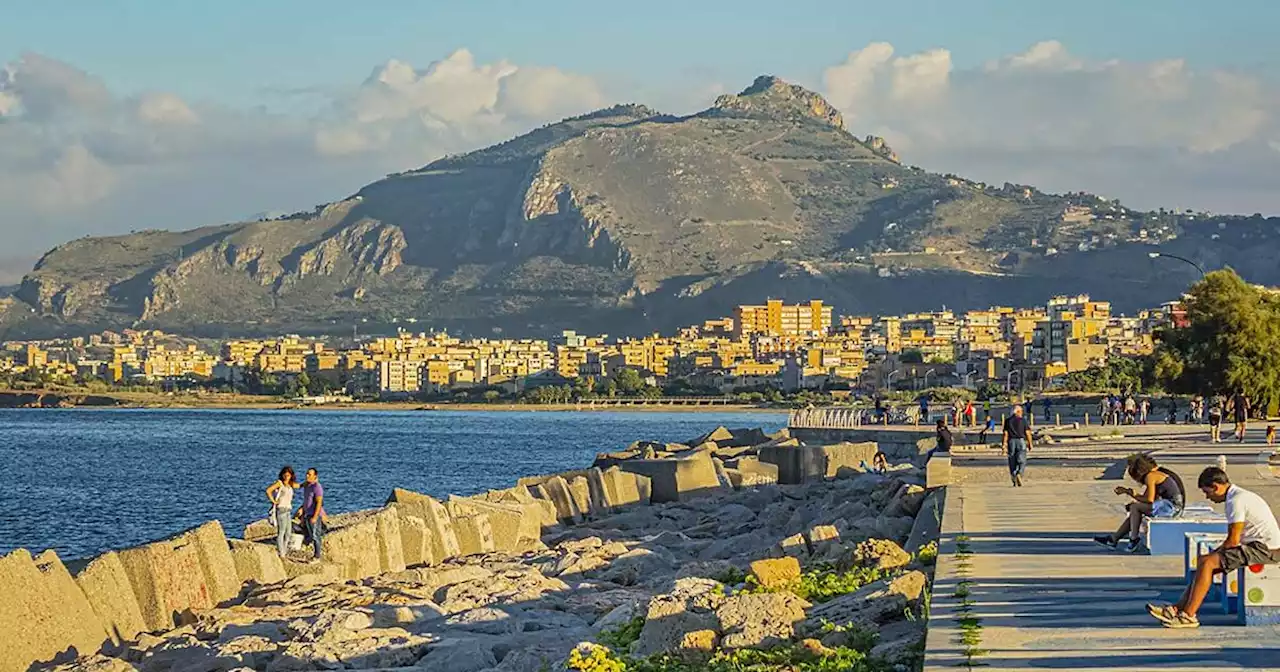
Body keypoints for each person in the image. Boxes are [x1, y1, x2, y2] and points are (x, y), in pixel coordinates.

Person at [1148, 467, 1280, 628]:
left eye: (1207, 492)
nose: (1207, 497)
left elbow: (1233, 540)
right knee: (1204, 564)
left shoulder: (1236, 501)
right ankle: (1177, 609)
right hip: (1259, 546)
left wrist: (1214, 554)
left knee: (1208, 563)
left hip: (1264, 550)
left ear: (1216, 486)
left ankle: (1188, 616)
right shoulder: (1238, 495)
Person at [1094, 454, 1184, 552]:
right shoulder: (1155, 475)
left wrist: (1133, 494)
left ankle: (1133, 539)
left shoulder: (1150, 477)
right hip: (1171, 506)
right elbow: (1146, 499)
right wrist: (1128, 493)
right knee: (1135, 511)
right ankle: (1113, 540)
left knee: (1135, 508)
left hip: (1171, 508)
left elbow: (1149, 500)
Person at [265, 466, 298, 559]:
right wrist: (274, 501)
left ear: (291, 475)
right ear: (282, 475)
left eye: (288, 474)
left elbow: (300, 485)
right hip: (281, 510)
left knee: (288, 532)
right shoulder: (279, 483)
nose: (286, 476)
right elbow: (268, 491)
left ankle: (284, 550)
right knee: (281, 532)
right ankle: (281, 553)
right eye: (285, 474)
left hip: (288, 510)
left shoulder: (290, 484)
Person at [298, 467, 327, 562]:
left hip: (314, 514)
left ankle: (317, 556)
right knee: (310, 534)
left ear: (315, 476)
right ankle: (311, 551)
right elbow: (305, 499)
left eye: (309, 474)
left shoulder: (317, 487)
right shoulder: (307, 486)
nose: (307, 475)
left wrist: (315, 516)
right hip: (307, 514)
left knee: (315, 535)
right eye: (307, 473)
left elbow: (319, 502)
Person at [1002, 403, 1033, 487]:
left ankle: (1013, 475)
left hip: (1011, 441)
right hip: (1021, 441)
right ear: (1018, 412)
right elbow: (1027, 433)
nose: (1022, 413)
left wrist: (1004, 445)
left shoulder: (1007, 421)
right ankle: (1019, 473)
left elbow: (1005, 433)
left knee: (1012, 460)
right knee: (1022, 459)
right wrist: (1030, 443)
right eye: (1021, 411)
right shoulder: (1023, 420)